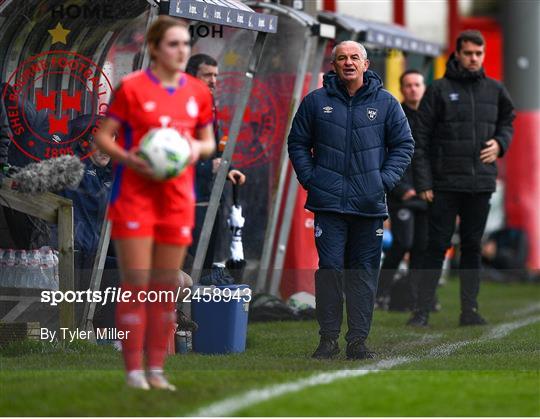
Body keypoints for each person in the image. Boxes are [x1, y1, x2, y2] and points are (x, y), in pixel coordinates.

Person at [95, 16, 216, 390]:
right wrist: (132, 158)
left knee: (167, 285)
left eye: (186, 45)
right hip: (135, 198)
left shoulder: (197, 92)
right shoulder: (131, 88)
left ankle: (158, 370)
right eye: (173, 44)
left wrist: (192, 148)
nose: (181, 51)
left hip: (177, 200)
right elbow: (103, 139)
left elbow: (209, 142)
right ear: (153, 48)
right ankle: (133, 369)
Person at [288, 41, 414, 359]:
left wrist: (382, 182)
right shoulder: (315, 102)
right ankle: (328, 339)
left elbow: (404, 145)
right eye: (342, 58)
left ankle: (357, 341)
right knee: (330, 270)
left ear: (366, 64)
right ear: (333, 65)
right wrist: (311, 179)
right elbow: (298, 142)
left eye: (354, 57)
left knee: (363, 274)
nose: (348, 62)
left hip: (369, 206)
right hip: (328, 204)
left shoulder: (387, 104)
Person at [409, 30, 515, 327]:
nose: (474, 59)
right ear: (457, 53)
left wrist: (500, 143)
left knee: (472, 247)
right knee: (437, 245)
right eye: (468, 53)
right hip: (443, 184)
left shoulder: (495, 90)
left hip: (480, 184)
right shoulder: (439, 89)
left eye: (478, 54)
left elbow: (508, 120)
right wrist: (424, 182)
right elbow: (421, 138)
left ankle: (469, 311)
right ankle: (422, 311)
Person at [184, 53, 245, 272]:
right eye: (207, 75)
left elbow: (216, 148)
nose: (213, 81)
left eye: (216, 75)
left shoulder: (208, 107)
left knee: (206, 265)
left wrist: (229, 168)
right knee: (188, 267)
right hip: (186, 202)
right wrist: (207, 168)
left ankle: (200, 305)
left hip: (209, 199)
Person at [376, 69, 428, 310]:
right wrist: (402, 189)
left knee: (421, 247)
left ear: (423, 87)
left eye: (417, 84)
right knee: (402, 243)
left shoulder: (431, 117)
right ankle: (380, 294)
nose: (413, 89)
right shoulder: (395, 115)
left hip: (426, 194)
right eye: (408, 85)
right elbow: (386, 155)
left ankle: (414, 298)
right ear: (402, 88)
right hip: (403, 197)